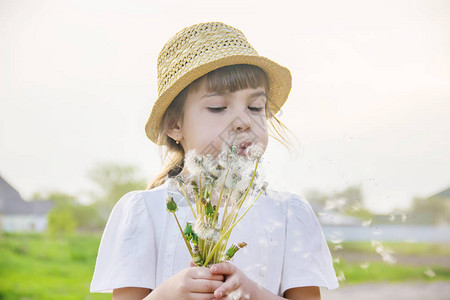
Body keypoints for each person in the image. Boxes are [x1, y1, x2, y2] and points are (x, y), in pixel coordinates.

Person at [90, 22, 339, 299]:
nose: (244, 121)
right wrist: (169, 294)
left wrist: (254, 293)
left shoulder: (289, 214)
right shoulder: (144, 212)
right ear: (175, 125)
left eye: (255, 107)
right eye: (218, 107)